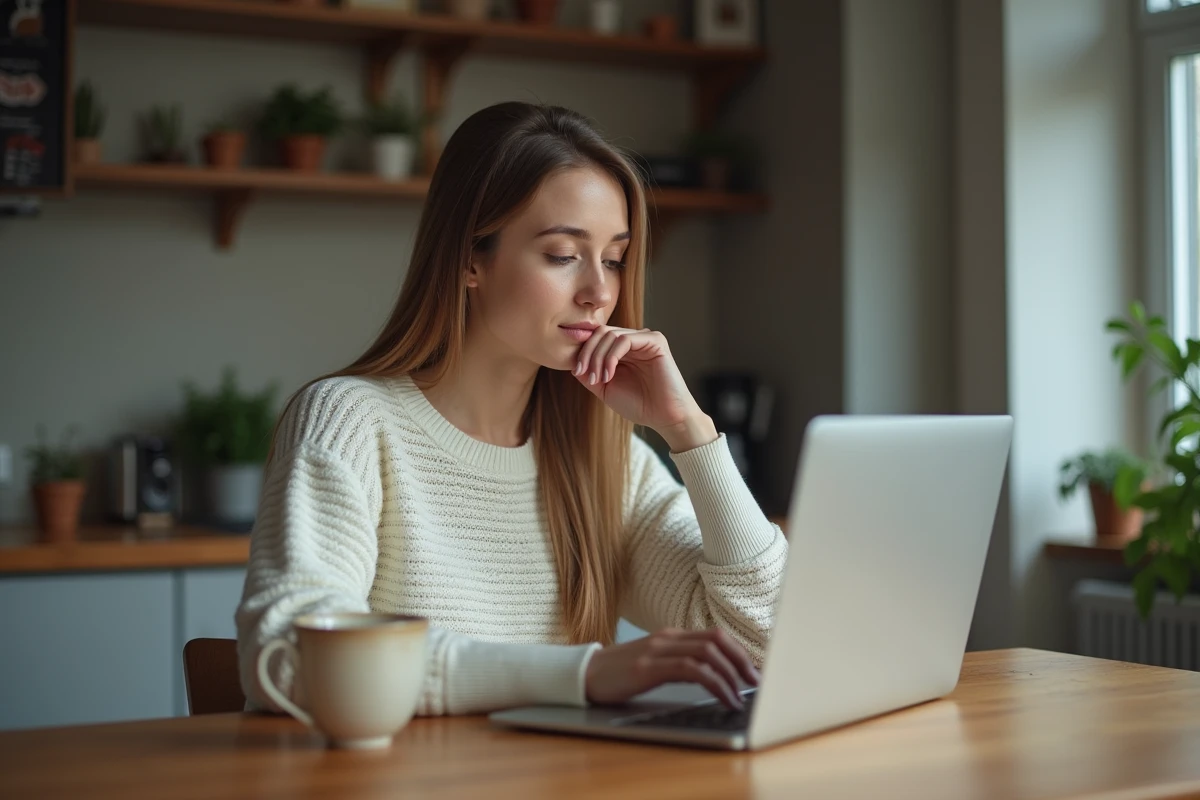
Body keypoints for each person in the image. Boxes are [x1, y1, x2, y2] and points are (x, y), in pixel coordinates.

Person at [236, 101, 788, 717]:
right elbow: (287, 656)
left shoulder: (606, 458)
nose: (600, 293)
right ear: (471, 257)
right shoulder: (351, 423)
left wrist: (691, 432)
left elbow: (765, 645)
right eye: (562, 254)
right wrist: (582, 673)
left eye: (613, 258)